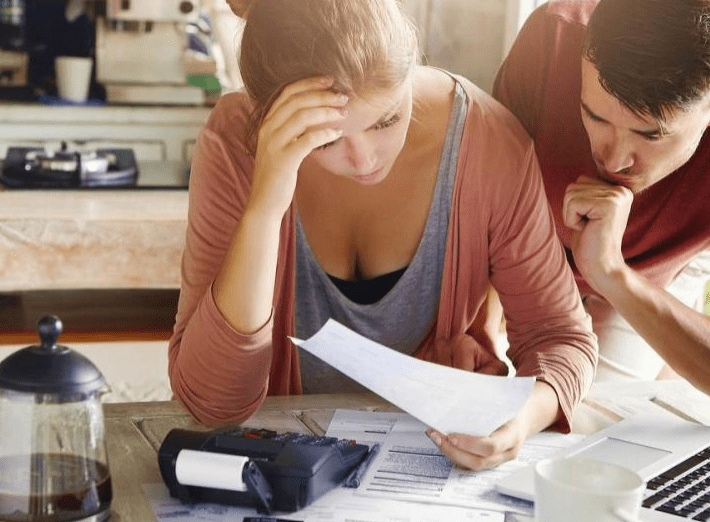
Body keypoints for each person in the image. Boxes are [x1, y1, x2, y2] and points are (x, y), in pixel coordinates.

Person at [168, 0, 597, 471]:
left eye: (387, 120)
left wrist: (518, 422)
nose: (365, 160)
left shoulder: (488, 141)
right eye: (326, 139)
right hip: (280, 472)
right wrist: (264, 208)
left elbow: (559, 337)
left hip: (424, 473)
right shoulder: (236, 144)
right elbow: (213, 404)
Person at [493, 0, 710, 394]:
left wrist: (611, 273)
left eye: (650, 135)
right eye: (594, 116)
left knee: (585, 412)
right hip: (526, 254)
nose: (612, 160)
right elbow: (487, 213)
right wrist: (477, 330)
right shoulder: (554, 37)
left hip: (651, 276)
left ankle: (669, 359)